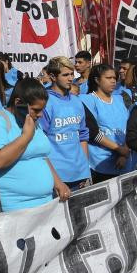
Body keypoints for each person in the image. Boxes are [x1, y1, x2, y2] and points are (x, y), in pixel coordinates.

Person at [0, 78, 71, 212]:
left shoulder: (31, 120)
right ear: (18, 102)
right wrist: (26, 137)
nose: (40, 115)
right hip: (15, 208)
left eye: (42, 110)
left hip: (45, 203)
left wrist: (58, 182)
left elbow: (41, 155)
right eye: (36, 109)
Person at [40, 56, 91, 190]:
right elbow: (40, 140)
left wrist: (84, 168)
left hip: (79, 173)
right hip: (56, 175)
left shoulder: (77, 101)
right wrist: (55, 180)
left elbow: (83, 136)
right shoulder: (45, 101)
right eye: (65, 75)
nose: (70, 78)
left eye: (72, 74)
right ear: (52, 76)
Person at [81, 64, 135, 181]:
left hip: (125, 159)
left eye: (114, 78)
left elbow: (131, 127)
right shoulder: (86, 100)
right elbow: (93, 132)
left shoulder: (122, 99)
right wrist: (119, 149)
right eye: (108, 78)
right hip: (100, 163)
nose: (113, 81)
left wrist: (124, 152)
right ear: (97, 80)